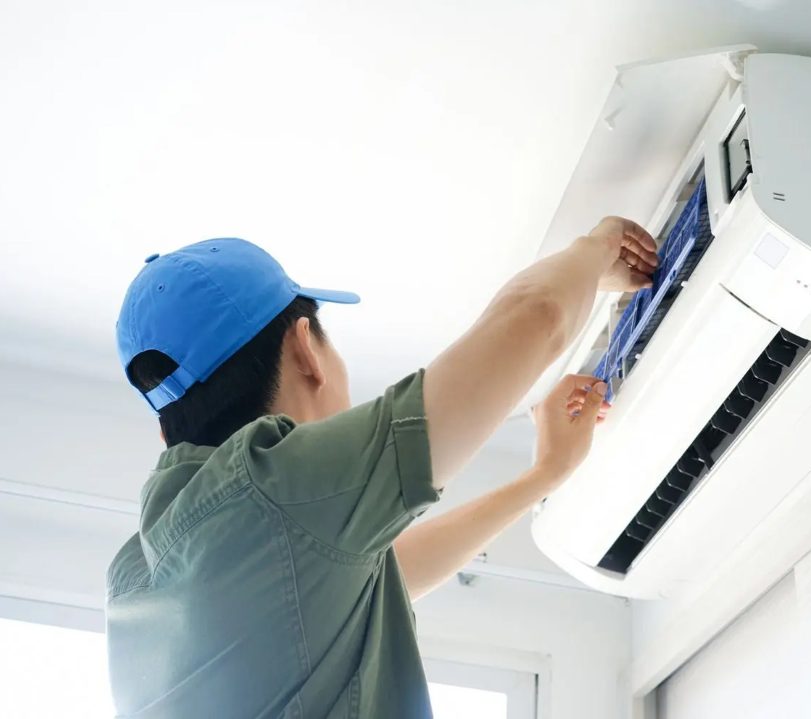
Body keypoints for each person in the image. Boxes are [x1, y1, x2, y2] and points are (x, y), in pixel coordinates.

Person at [105, 217, 658, 718]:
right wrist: (597, 250)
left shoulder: (140, 576)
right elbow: (535, 319)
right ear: (306, 350)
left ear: (166, 430)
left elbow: (380, 569)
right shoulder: (276, 487)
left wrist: (542, 477)